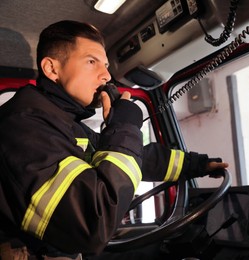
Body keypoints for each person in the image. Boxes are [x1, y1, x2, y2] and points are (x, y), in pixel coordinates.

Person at [0, 20, 228, 259]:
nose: (106, 75)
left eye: (106, 65)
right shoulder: (23, 127)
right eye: (91, 62)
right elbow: (92, 223)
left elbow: (133, 157)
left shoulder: (62, 122)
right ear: (52, 69)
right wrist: (124, 125)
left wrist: (196, 165)